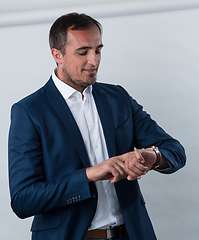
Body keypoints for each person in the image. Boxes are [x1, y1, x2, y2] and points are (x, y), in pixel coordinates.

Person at [8, 12, 186, 240]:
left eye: (98, 50)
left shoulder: (117, 97)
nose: (94, 60)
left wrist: (151, 157)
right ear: (57, 55)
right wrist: (90, 174)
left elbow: (175, 151)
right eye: (83, 52)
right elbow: (23, 200)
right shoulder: (29, 111)